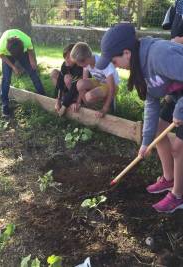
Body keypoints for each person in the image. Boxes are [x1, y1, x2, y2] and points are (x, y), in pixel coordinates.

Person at [96, 23, 183, 213]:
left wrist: (180, 110)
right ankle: (169, 179)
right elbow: (151, 102)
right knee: (158, 128)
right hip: (178, 95)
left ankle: (178, 196)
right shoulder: (140, 66)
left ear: (126, 53)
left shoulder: (159, 55)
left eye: (114, 61)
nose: (114, 66)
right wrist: (145, 142)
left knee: (179, 148)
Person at [0, 29, 45, 116]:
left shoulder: (26, 40)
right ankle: (5, 104)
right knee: (6, 78)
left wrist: (32, 60)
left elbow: (30, 49)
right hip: (6, 56)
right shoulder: (2, 46)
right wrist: (13, 67)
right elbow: (0, 54)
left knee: (32, 71)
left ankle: (42, 95)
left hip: (22, 52)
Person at [70, 42, 119, 118]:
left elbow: (112, 88)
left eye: (78, 63)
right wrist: (78, 102)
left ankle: (107, 106)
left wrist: (104, 109)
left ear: (86, 59)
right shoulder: (87, 63)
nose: (78, 65)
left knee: (89, 96)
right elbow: (83, 82)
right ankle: (91, 109)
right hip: (100, 82)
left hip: (112, 87)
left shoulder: (103, 63)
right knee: (80, 84)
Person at [50, 43, 83, 116]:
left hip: (80, 93)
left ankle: (72, 100)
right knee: (54, 73)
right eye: (65, 57)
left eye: (69, 57)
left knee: (67, 78)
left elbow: (74, 87)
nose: (66, 60)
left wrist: (64, 106)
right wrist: (58, 100)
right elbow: (60, 82)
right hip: (69, 88)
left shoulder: (80, 67)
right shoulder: (65, 64)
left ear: (76, 56)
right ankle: (64, 98)